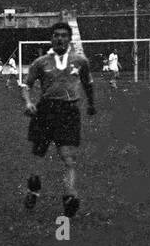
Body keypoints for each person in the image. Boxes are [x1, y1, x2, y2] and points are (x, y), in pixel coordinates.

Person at [20, 22, 96, 218]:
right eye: (56, 35)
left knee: (68, 157)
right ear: (51, 39)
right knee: (38, 154)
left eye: (64, 35)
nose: (60, 39)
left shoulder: (80, 61)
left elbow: (88, 84)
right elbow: (26, 85)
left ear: (69, 39)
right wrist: (28, 102)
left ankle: (69, 196)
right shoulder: (41, 62)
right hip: (46, 111)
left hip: (69, 112)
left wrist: (91, 104)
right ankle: (33, 188)